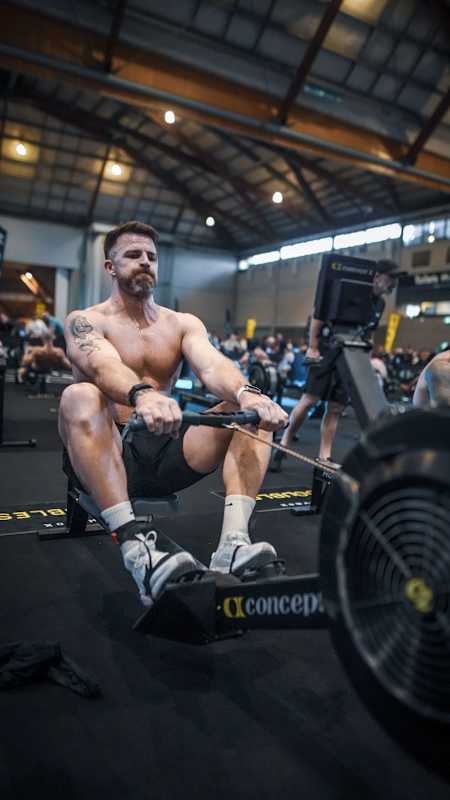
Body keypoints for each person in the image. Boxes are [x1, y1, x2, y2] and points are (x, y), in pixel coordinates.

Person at [59, 220, 288, 609]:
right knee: (79, 394)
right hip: (108, 452)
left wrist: (247, 393)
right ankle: (136, 550)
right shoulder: (87, 320)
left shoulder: (182, 324)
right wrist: (141, 394)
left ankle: (233, 545)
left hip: (166, 453)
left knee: (250, 409)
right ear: (111, 267)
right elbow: (100, 364)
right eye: (133, 255)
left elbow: (214, 367)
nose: (144, 262)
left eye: (151, 256)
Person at [271, 258, 402, 469]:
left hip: (351, 356)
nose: (393, 283)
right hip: (326, 350)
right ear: (377, 277)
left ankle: (325, 456)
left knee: (336, 408)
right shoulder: (347, 290)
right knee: (309, 401)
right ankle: (283, 445)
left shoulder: (380, 303)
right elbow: (318, 316)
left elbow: (368, 331)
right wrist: (312, 346)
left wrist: (365, 357)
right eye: (391, 278)